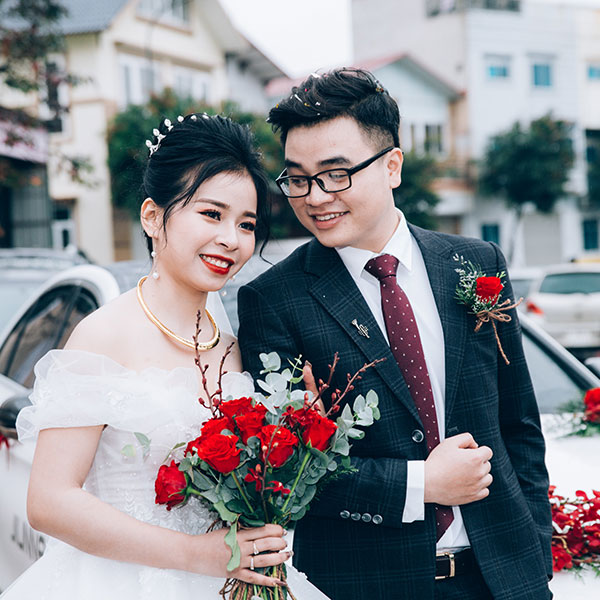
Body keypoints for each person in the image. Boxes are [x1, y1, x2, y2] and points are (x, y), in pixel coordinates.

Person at [237, 69, 553, 600]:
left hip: (505, 578)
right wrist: (422, 484)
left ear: (392, 166)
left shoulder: (476, 263)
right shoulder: (274, 300)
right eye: (298, 179)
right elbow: (287, 471)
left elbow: (518, 424)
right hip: (365, 584)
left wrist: (536, 554)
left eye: (336, 174)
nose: (316, 197)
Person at [1, 114, 329, 600]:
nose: (232, 239)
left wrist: (300, 433)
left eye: (246, 224)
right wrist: (195, 554)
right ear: (153, 217)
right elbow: (49, 502)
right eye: (212, 214)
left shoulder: (232, 346)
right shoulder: (102, 334)